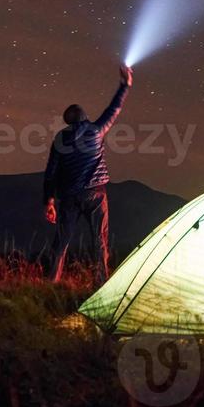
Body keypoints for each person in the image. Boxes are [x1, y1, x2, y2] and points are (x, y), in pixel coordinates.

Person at [43, 64, 132, 282]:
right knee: (99, 240)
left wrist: (49, 201)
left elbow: (50, 173)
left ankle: (52, 282)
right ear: (84, 117)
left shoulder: (59, 140)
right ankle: (101, 282)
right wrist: (125, 84)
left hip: (69, 197)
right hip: (96, 193)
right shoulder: (96, 131)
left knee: (61, 242)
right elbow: (114, 109)